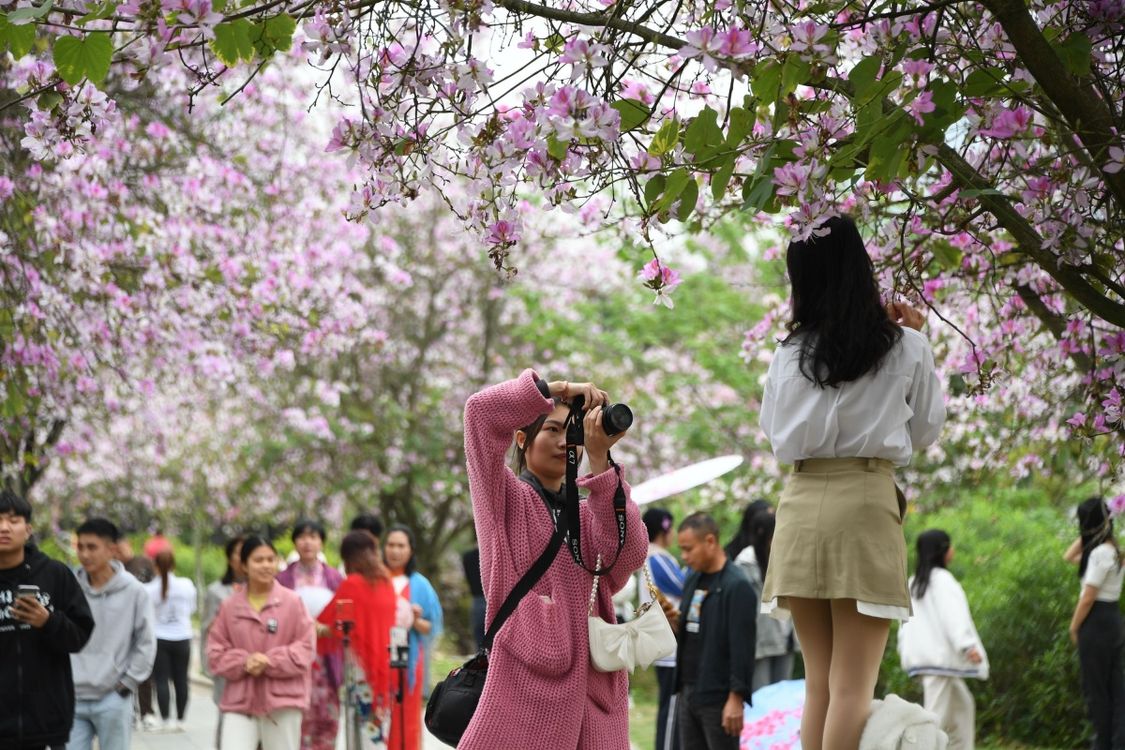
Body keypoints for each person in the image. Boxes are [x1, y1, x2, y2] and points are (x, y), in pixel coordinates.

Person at [759, 214, 946, 750]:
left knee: (819, 684)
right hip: (864, 501)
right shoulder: (904, 345)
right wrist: (916, 339)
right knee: (852, 688)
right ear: (858, 268)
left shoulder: (786, 354)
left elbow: (775, 436)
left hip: (799, 503)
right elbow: (926, 430)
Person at [460, 371, 647, 749]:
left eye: (572, 432)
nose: (565, 442)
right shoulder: (504, 499)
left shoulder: (590, 508)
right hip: (528, 688)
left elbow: (630, 554)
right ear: (522, 439)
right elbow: (478, 414)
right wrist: (557, 390)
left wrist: (600, 462)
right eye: (552, 430)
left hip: (595, 696)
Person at [0, 489, 95, 750]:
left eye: (13, 520)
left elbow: (80, 636)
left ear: (28, 529)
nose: (4, 528)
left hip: (45, 725)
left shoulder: (54, 574)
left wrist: (48, 622)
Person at [207, 535, 316, 750]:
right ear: (244, 566)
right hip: (240, 702)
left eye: (270, 559)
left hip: (283, 702)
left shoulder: (293, 602)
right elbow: (214, 653)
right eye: (258, 560)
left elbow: (305, 649)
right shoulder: (230, 606)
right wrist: (244, 662)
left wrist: (269, 661)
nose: (266, 565)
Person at [69, 518, 157, 750]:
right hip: (72, 697)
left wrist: (127, 683)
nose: (85, 554)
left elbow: (146, 642)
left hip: (113, 697)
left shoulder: (135, 591)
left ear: (112, 549)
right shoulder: (69, 588)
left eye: (92, 547)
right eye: (81, 547)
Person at [897, 530, 988, 750]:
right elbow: (953, 617)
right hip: (940, 662)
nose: (952, 550)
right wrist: (967, 647)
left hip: (930, 661)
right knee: (933, 718)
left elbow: (905, 626)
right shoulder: (942, 581)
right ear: (942, 551)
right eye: (950, 546)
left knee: (963, 707)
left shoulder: (913, 583)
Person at [673, 513, 756, 750]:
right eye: (682, 550)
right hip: (688, 689)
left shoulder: (737, 586)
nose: (684, 557)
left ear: (710, 541)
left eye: (688, 549)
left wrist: (736, 697)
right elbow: (696, 628)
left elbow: (743, 647)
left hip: (719, 696)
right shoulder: (693, 580)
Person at [319, 530, 400, 749]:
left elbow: (332, 624)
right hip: (385, 666)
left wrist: (310, 624)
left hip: (361, 669)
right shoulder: (386, 583)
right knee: (377, 729)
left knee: (361, 734)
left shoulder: (352, 584)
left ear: (348, 556)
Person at [276, 520, 345, 750]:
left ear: (321, 542)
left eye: (313, 537)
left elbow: (346, 619)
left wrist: (329, 628)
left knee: (327, 715)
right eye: (302, 537)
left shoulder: (334, 578)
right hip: (295, 656)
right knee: (296, 717)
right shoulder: (282, 580)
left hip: (327, 659)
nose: (307, 542)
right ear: (295, 542)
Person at [1064, 497, 1124, 750]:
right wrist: (1098, 529)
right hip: (1112, 620)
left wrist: (1074, 627)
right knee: (1116, 686)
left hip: (1096, 622)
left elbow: (1088, 596)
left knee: (1096, 688)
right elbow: (1068, 556)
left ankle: (1103, 743)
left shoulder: (1100, 554)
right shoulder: (1113, 551)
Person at [382, 524, 443, 750]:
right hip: (378, 659)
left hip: (409, 660)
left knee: (406, 712)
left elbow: (431, 626)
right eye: (390, 545)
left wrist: (415, 619)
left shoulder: (421, 584)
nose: (395, 551)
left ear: (410, 551)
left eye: (401, 546)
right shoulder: (375, 580)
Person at [731, 508, 796, 692]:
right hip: (760, 642)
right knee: (762, 696)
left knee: (783, 697)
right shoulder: (745, 564)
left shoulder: (784, 557)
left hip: (785, 639)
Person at [639, 508, 687, 750]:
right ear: (664, 530)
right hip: (668, 643)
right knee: (671, 707)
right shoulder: (657, 558)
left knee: (672, 705)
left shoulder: (652, 557)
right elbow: (683, 586)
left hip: (663, 641)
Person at [144, 548, 196, 731]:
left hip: (160, 638)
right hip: (182, 637)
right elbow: (192, 608)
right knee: (182, 680)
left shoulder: (148, 589)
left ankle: (165, 719)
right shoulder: (186, 584)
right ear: (174, 564)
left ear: (155, 566)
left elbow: (146, 614)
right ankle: (181, 719)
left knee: (161, 680)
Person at [201, 534, 247, 743]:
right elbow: (207, 631)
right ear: (230, 559)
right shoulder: (216, 591)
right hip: (228, 669)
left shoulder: (273, 592)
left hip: (260, 669)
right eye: (240, 553)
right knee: (227, 721)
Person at [113, 537, 157, 727]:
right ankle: (129, 711)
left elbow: (156, 586)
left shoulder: (144, 563)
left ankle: (147, 712)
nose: (119, 553)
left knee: (145, 673)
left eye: (121, 548)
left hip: (143, 621)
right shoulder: (114, 569)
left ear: (129, 544)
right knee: (122, 671)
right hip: (121, 626)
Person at [461, 547, 486, 650]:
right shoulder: (492, 553)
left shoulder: (467, 557)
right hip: (495, 600)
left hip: (476, 602)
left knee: (480, 645)